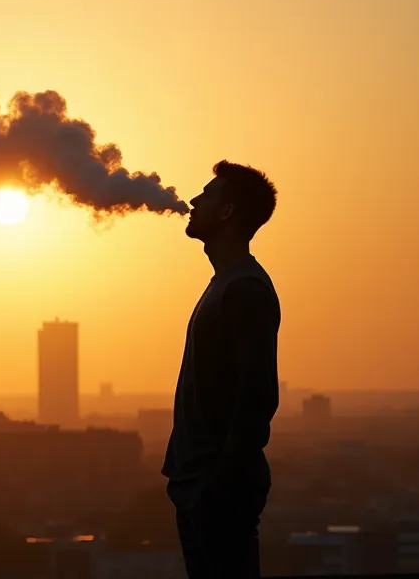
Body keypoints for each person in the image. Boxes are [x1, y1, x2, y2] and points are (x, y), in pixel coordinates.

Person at [163, 160, 281, 578]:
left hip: (217, 488)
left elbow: (258, 396)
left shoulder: (244, 288)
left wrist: (218, 483)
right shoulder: (226, 283)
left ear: (227, 212)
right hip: (201, 483)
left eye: (207, 194)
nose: (194, 201)